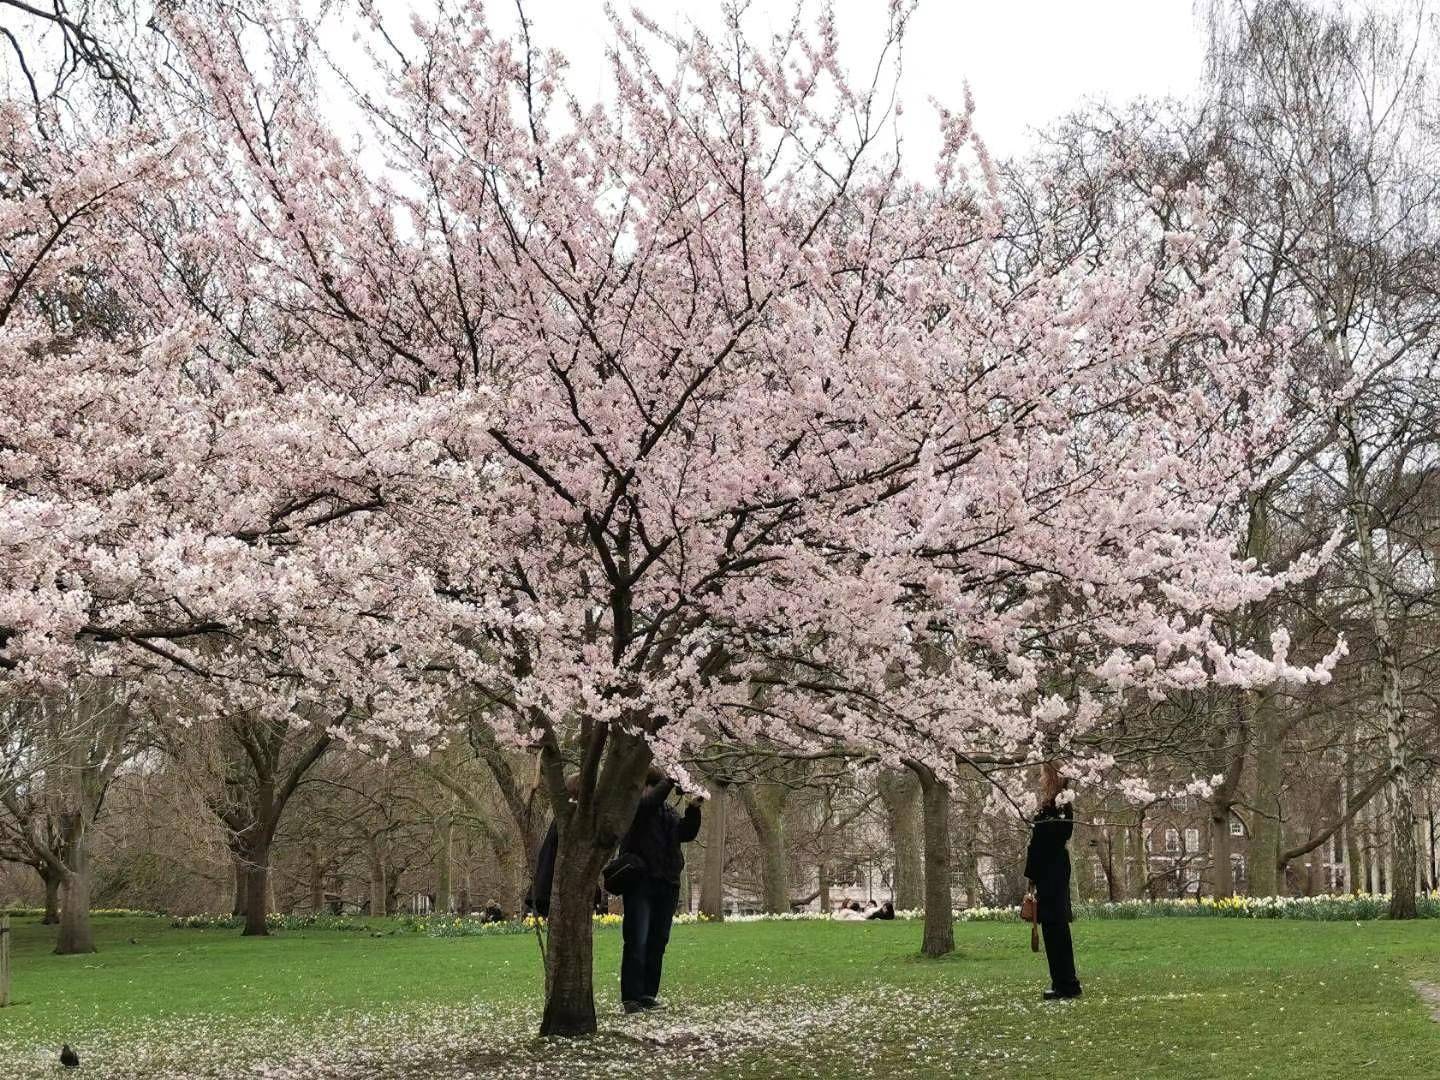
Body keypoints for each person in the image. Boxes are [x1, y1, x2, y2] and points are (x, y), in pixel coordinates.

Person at [618, 769, 703, 1013]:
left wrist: (693, 809)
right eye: (651, 786)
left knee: (657, 941)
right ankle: (631, 997)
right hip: (641, 884)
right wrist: (670, 780)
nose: (654, 792)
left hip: (666, 883)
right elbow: (647, 804)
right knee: (637, 939)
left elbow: (685, 833)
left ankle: (647, 994)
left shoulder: (667, 812)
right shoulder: (635, 809)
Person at [1024, 762, 1081, 1000]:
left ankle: (1066, 983)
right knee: (1054, 926)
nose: (1040, 779)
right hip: (1052, 868)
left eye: (1043, 775)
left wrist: (1032, 876)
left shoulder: (1058, 805)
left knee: (1055, 925)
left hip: (1050, 870)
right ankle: (1063, 981)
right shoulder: (1057, 805)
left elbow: (1042, 843)